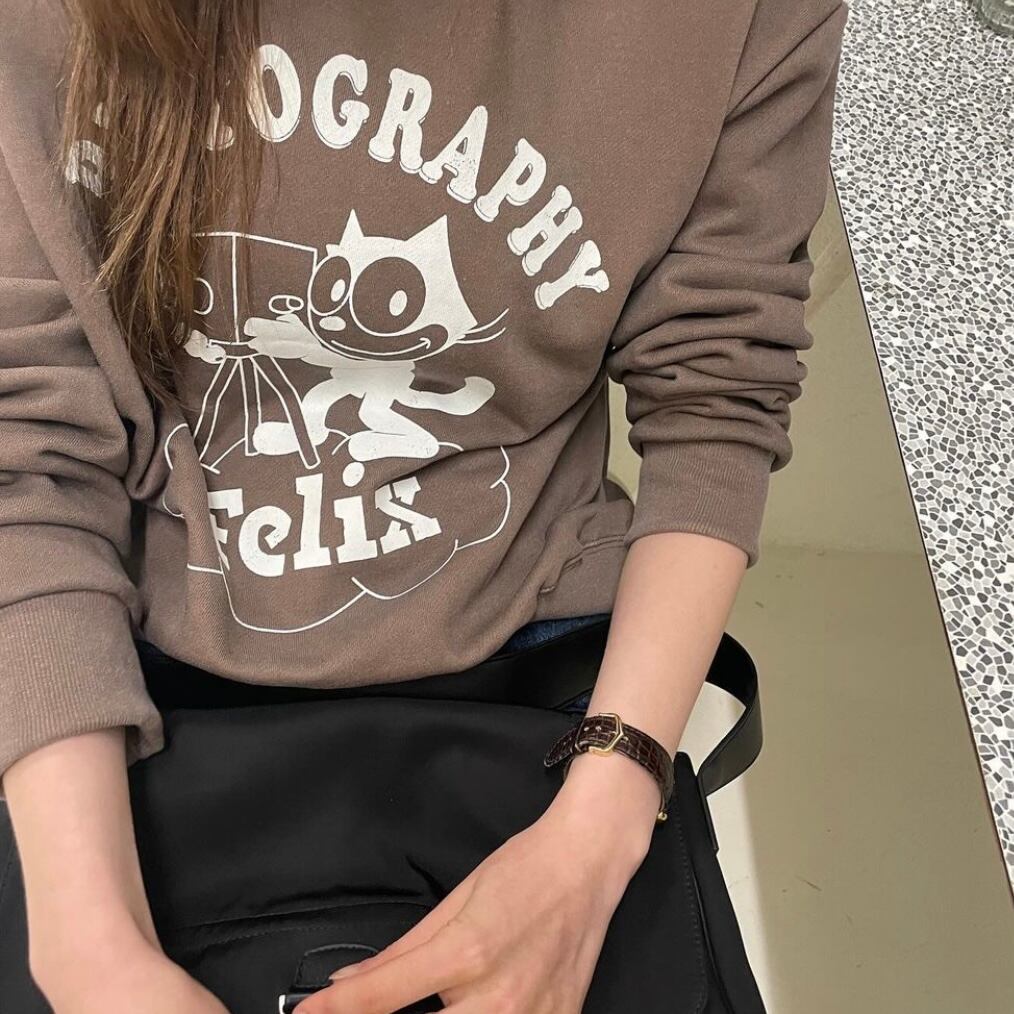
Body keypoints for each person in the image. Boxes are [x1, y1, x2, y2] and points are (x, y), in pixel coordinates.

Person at [0, 0, 849, 1011]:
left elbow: (716, 393)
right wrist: (88, 949)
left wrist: (605, 816)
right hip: (119, 685)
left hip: (538, 679)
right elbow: (29, 457)